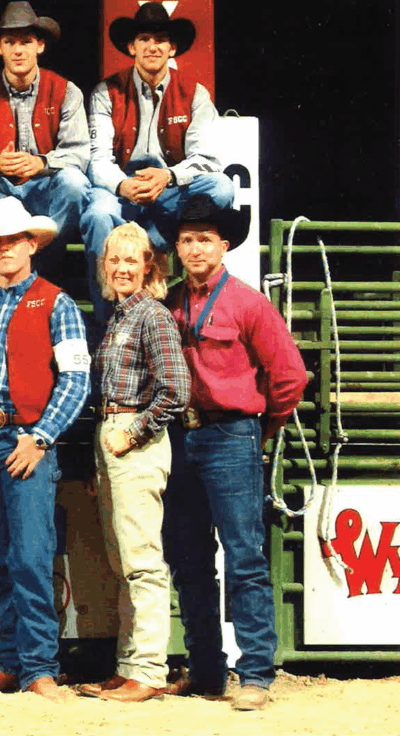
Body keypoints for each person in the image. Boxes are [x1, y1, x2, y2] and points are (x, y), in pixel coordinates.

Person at [163, 196, 306, 711]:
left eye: (205, 238)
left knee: (244, 556)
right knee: (190, 557)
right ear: (176, 248)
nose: (195, 247)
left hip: (231, 434)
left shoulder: (247, 303)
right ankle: (206, 672)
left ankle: (257, 675)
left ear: (224, 244)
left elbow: (289, 377)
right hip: (180, 437)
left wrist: (258, 431)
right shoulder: (171, 303)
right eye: (186, 239)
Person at [0, 196, 91, 703]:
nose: (4, 249)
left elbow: (75, 380)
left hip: (26, 436)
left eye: (13, 240)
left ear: (32, 245)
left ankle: (39, 668)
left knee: (30, 557)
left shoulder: (59, 302)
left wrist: (42, 436)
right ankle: (7, 663)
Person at [76, 222, 189, 702]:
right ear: (105, 265)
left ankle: (148, 670)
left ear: (149, 266)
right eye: (114, 259)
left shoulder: (152, 316)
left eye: (131, 259)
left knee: (141, 562)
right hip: (113, 440)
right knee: (125, 562)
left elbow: (176, 391)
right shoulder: (120, 316)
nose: (122, 268)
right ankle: (130, 666)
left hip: (133, 442)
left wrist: (133, 433)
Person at [81, 2, 235, 320]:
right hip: (121, 191)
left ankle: (155, 257)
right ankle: (106, 318)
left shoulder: (195, 93)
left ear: (172, 47)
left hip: (168, 193)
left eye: (161, 39)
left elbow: (206, 158)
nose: (153, 46)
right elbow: (97, 160)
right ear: (131, 46)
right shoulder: (106, 92)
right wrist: (123, 184)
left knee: (220, 187)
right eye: (144, 39)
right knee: (97, 212)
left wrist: (169, 177)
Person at [0, 1, 90, 279]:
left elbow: (78, 153)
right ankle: (6, 267)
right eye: (10, 42)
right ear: (0, 48)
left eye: (26, 42)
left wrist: (41, 163)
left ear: (40, 46)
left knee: (75, 183)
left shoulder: (67, 91)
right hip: (2, 190)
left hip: (45, 189)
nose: (18, 50)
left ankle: (42, 271)